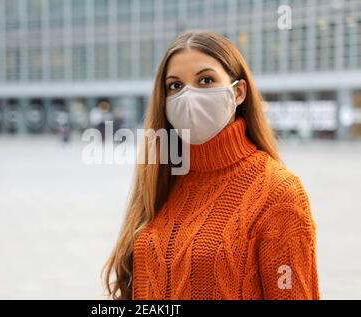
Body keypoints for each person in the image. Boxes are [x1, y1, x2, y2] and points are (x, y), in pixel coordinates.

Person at [101, 30, 320, 300]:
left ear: (239, 92)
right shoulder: (163, 176)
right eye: (175, 86)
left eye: (206, 80)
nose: (189, 96)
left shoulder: (278, 192)